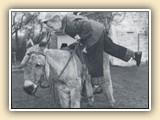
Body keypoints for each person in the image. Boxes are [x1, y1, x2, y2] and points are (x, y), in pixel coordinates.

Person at [40, 13, 142, 100]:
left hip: (93, 34)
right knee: (111, 48)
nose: (52, 29)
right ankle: (134, 54)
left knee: (91, 57)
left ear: (57, 21)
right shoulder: (67, 21)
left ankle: (97, 85)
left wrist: (81, 37)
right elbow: (83, 27)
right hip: (98, 29)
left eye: (52, 27)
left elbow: (85, 25)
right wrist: (76, 42)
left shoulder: (68, 25)